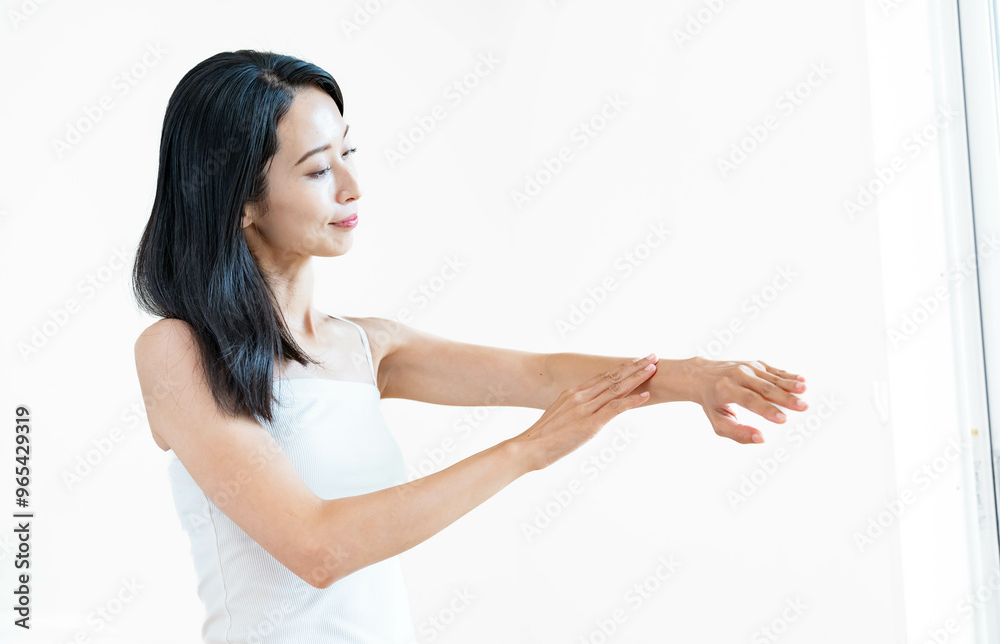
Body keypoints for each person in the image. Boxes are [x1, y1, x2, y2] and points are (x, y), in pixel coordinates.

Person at [130, 49, 809, 643]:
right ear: (241, 201)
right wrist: (528, 450)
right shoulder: (177, 351)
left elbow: (539, 375)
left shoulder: (368, 347)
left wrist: (696, 378)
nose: (353, 187)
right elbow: (317, 546)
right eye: (316, 171)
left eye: (349, 154)